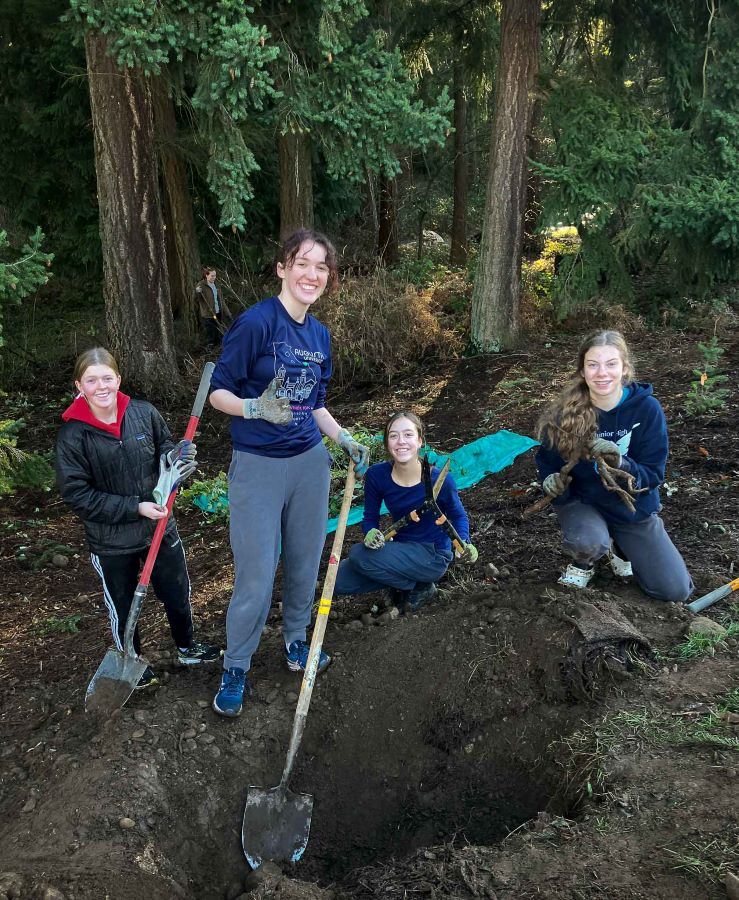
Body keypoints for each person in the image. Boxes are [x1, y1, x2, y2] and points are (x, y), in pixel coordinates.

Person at [208, 228, 370, 718]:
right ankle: (235, 665)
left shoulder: (319, 335)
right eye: (303, 263)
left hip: (309, 465)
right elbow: (219, 392)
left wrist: (343, 439)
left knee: (304, 563)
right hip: (257, 467)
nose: (312, 274)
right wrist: (255, 408)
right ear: (282, 267)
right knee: (256, 577)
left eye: (322, 267)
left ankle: (297, 643)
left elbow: (315, 404)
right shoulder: (256, 323)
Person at [56, 347, 221, 689]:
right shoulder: (73, 437)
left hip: (160, 527)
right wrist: (135, 507)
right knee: (122, 603)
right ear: (79, 386)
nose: (100, 386)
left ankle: (187, 647)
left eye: (107, 378)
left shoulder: (143, 413)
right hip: (112, 542)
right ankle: (131, 660)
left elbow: (164, 451)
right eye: (91, 380)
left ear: (118, 379)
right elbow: (78, 496)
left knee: (177, 591)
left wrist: (176, 456)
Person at [535, 330, 693, 602]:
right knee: (588, 542)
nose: (601, 373)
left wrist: (621, 462)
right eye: (593, 365)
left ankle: (621, 546)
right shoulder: (564, 414)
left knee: (673, 590)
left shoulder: (647, 410)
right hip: (583, 503)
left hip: (632, 506)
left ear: (625, 368)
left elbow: (653, 475)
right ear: (582, 371)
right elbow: (548, 463)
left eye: (611, 364)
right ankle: (585, 561)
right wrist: (551, 481)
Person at [334, 411, 477, 611]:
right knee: (338, 581)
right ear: (387, 443)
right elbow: (370, 517)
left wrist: (465, 542)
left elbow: (458, 515)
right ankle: (403, 582)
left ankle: (421, 585)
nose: (401, 441)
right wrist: (370, 533)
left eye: (408, 435)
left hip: (433, 554)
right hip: (400, 547)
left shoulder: (438, 479)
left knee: (359, 554)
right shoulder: (377, 475)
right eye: (394, 435)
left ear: (420, 441)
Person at [195, 267, 230, 348]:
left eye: (215, 275)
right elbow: (197, 300)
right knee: (210, 332)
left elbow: (221, 299)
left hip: (218, 312)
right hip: (208, 314)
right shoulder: (201, 285)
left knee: (219, 330)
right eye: (212, 276)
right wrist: (197, 293)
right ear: (206, 275)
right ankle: (210, 346)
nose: (214, 277)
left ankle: (219, 346)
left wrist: (227, 312)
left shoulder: (216, 285)